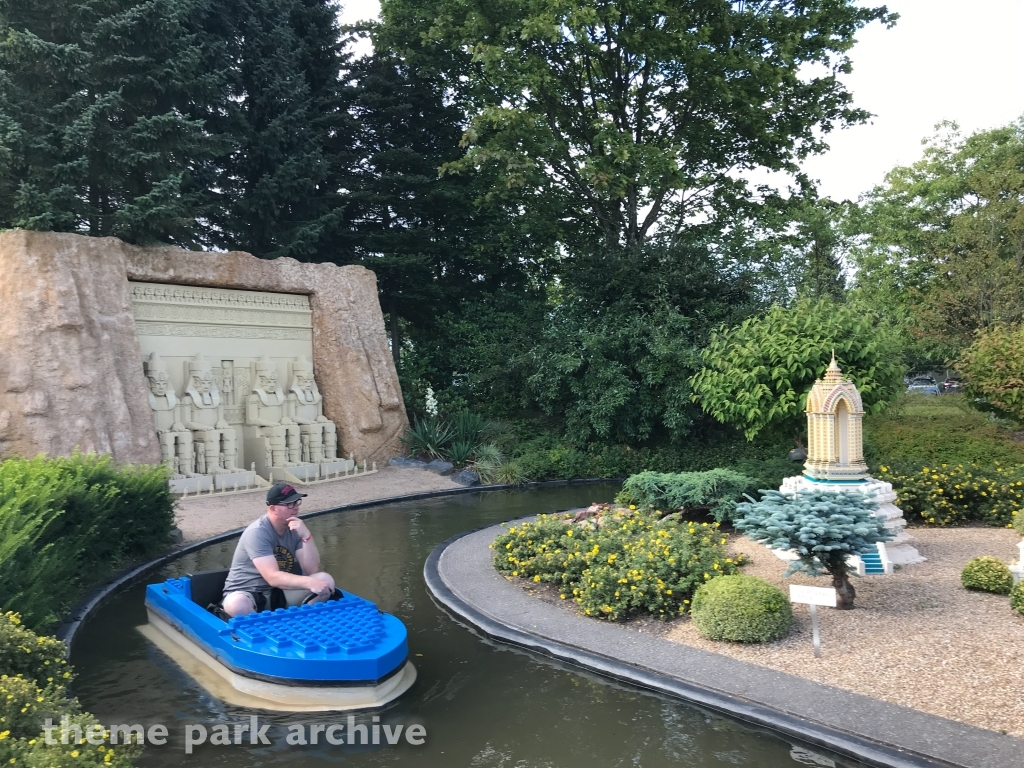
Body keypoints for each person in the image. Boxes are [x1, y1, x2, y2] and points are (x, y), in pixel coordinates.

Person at [221, 483, 336, 617]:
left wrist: (306, 536)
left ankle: (303, 622)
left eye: (297, 502)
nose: (296, 508)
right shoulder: (258, 532)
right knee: (236, 604)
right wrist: (309, 582)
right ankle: (259, 632)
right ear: (273, 508)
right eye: (289, 504)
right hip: (249, 594)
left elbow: (311, 570)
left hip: (279, 592)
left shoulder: (295, 528)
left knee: (325, 579)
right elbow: (272, 577)